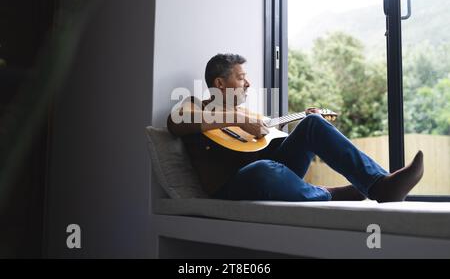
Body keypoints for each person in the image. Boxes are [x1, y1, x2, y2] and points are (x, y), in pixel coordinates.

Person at [167, 53, 424, 202]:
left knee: (312, 124)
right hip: (233, 183)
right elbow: (176, 122)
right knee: (264, 170)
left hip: (269, 165)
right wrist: (237, 119)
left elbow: (275, 143)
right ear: (220, 84)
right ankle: (328, 194)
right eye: (241, 77)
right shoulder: (195, 105)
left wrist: (304, 123)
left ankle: (380, 185)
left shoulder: (249, 114)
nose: (248, 83)